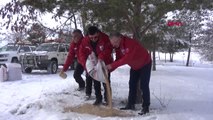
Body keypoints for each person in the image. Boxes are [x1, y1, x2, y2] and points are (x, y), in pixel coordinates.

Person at [106, 32, 152, 115]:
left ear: (120, 38)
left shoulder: (130, 43)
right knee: (132, 84)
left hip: (145, 63)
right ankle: (131, 104)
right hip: (135, 66)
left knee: (144, 85)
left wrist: (111, 65)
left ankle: (146, 107)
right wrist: (109, 69)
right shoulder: (118, 47)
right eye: (112, 43)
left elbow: (126, 59)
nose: (114, 45)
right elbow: (118, 59)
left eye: (115, 42)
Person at [79, 26, 113, 105]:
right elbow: (81, 53)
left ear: (98, 33)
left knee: (106, 80)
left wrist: (101, 57)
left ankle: (107, 99)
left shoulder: (105, 38)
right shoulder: (85, 41)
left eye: (95, 37)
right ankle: (98, 98)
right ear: (88, 36)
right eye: (91, 38)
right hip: (93, 62)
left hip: (105, 62)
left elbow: (109, 49)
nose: (94, 39)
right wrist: (85, 65)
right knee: (96, 80)